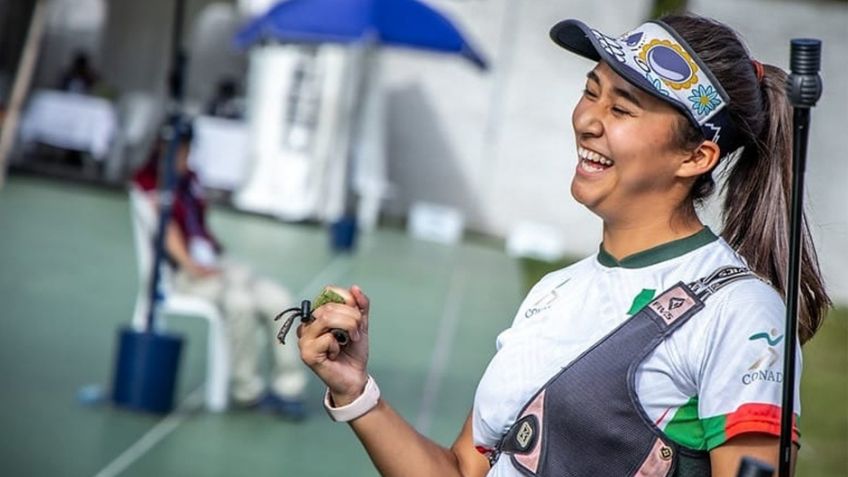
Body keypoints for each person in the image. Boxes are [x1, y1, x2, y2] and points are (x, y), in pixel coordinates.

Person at [294, 13, 832, 476]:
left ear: (695, 157)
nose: (588, 120)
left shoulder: (740, 312)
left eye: (622, 109)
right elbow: (464, 468)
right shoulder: (554, 292)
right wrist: (355, 391)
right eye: (591, 91)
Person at [133, 121, 308, 419]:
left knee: (278, 299)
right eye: (177, 149)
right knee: (241, 304)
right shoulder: (150, 182)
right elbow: (167, 231)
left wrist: (217, 257)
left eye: (186, 149)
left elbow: (200, 225)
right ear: (161, 148)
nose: (183, 156)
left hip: (218, 265)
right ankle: (247, 391)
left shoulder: (190, 179)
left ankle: (288, 388)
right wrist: (194, 266)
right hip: (187, 275)